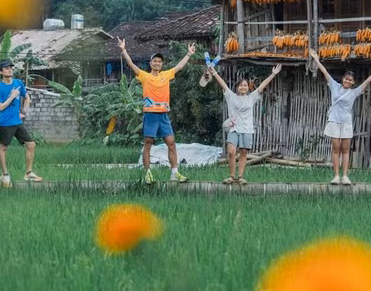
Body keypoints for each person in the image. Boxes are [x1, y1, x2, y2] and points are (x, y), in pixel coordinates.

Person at [119, 39, 195, 185]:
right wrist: (123, 50)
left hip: (163, 115)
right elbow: (131, 65)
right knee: (148, 143)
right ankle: (147, 173)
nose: (157, 63)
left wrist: (189, 54)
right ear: (150, 63)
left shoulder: (166, 75)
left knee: (171, 143)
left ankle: (174, 173)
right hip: (151, 114)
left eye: (159, 61)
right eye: (155, 61)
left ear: (161, 64)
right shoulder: (145, 76)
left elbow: (179, 66)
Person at [308, 49, 371, 186]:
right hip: (334, 121)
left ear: (353, 83)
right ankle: (336, 176)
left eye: (350, 80)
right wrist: (316, 59)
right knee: (335, 148)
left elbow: (368, 81)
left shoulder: (354, 92)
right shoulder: (334, 86)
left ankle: (345, 176)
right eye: (345, 78)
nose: (347, 81)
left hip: (346, 123)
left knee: (345, 149)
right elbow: (325, 73)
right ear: (342, 79)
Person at [208, 63, 283, 185]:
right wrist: (214, 73)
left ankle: (241, 176)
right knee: (231, 152)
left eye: (245, 85)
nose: (243, 87)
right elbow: (223, 84)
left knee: (243, 153)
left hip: (247, 129)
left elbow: (262, 85)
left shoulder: (251, 97)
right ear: (237, 87)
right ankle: (231, 176)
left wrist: (273, 74)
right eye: (241, 85)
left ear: (248, 88)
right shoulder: (231, 96)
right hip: (234, 129)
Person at [0, 59, 42, 186]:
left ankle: (28, 172)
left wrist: (23, 112)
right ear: (1, 72)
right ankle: (5, 175)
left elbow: (27, 97)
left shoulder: (18, 83)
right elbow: (0, 107)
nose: (10, 69)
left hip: (17, 121)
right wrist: (12, 95)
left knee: (31, 144)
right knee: (3, 148)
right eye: (6, 68)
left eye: (10, 67)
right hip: (5, 123)